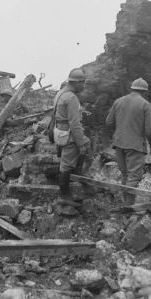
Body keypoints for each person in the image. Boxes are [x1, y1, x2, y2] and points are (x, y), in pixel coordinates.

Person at [105, 77, 151, 206]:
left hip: (119, 144)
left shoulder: (118, 101)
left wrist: (119, 133)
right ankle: (128, 209)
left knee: (124, 174)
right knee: (134, 177)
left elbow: (108, 122)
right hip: (135, 146)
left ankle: (125, 205)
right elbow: (150, 131)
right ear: (145, 92)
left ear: (132, 89)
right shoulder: (146, 105)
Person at [53, 68, 91, 203]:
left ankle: (75, 177)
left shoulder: (61, 93)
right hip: (69, 135)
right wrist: (81, 144)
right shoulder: (72, 97)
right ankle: (64, 195)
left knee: (86, 144)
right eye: (83, 83)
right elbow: (74, 124)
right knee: (67, 164)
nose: (84, 86)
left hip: (60, 131)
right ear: (77, 82)